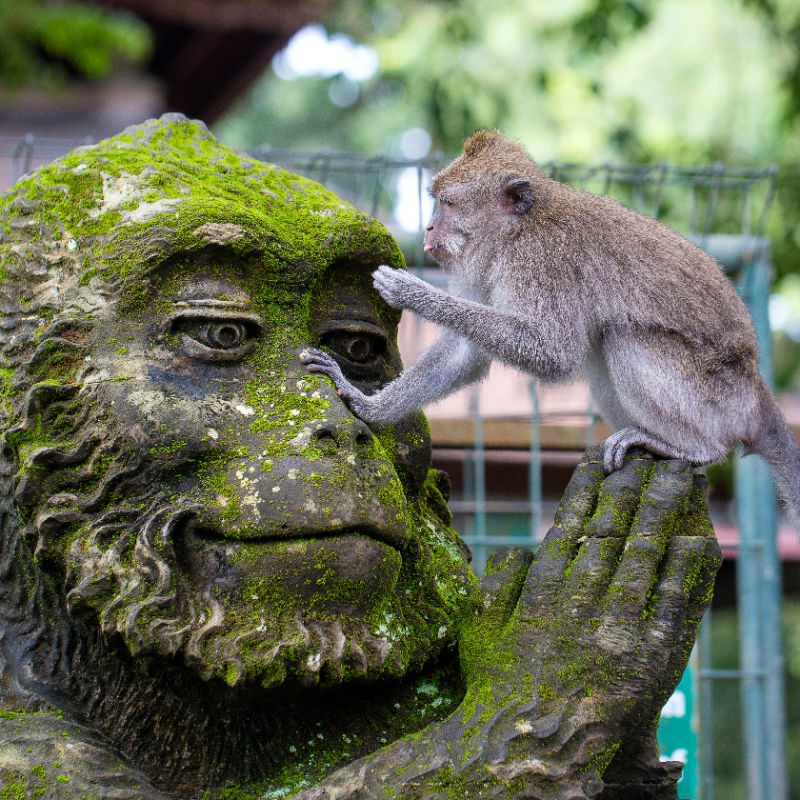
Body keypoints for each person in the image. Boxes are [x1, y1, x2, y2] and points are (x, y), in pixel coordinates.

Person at [0, 114, 721, 800]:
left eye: (359, 349)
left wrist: (608, 745)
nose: (331, 418)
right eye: (218, 337)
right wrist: (518, 740)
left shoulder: (441, 655)